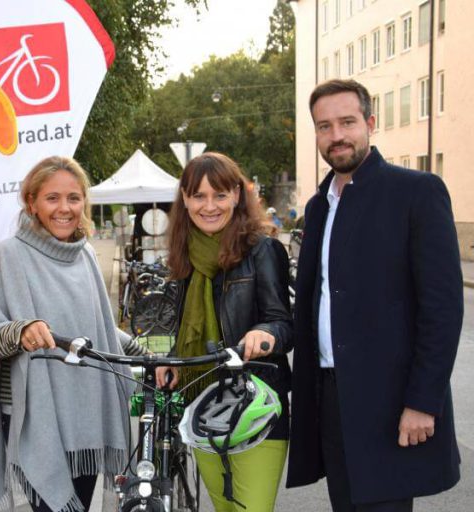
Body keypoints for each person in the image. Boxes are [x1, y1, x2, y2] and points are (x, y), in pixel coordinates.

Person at [286, 79, 463, 511]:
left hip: (390, 401)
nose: (337, 136)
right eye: (324, 126)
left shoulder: (417, 192)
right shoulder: (318, 207)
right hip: (330, 396)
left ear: (370, 123)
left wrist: (423, 402)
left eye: (347, 122)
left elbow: (442, 310)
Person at [0, 156, 143, 512]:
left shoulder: (87, 256)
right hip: (34, 415)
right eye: (52, 198)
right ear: (31, 202)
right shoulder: (6, 257)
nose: (64, 208)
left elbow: (102, 330)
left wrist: (147, 356)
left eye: (74, 198)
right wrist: (22, 331)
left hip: (86, 413)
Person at [155, 152, 293, 511]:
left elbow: (284, 323)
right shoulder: (185, 256)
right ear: (185, 200)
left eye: (219, 194)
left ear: (236, 195)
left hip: (255, 405)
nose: (209, 206)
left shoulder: (263, 249)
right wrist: (171, 361)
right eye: (198, 196)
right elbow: (185, 330)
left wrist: (264, 333)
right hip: (202, 405)